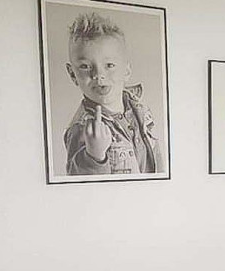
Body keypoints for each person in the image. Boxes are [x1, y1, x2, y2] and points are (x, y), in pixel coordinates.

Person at [63, 12, 163, 175]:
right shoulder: (82, 129)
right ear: (72, 74)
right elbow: (80, 186)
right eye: (85, 66)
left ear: (126, 70)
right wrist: (94, 156)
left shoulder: (140, 109)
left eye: (109, 65)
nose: (98, 75)